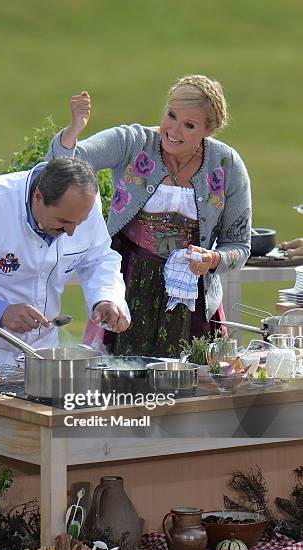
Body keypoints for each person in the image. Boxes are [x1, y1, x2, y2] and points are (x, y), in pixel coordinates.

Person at [47, 75, 252, 357]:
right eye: (171, 115)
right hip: (129, 285)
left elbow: (239, 245)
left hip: (190, 296)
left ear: (209, 130)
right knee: (118, 382)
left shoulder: (227, 165)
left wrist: (212, 259)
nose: (174, 130)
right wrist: (73, 130)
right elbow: (59, 167)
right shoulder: (133, 142)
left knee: (190, 384)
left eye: (189, 125)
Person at [0, 157, 130, 382]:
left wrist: (105, 298)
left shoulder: (81, 203)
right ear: (38, 197)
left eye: (79, 222)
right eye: (63, 222)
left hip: (40, 357)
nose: (71, 232)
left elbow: (98, 258)